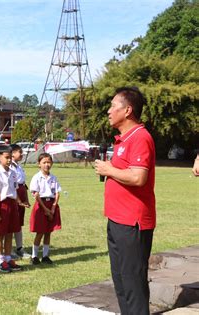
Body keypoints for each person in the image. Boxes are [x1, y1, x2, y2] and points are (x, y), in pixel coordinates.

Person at [95, 87, 156, 315]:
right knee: (121, 281)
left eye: (113, 106)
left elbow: (139, 177)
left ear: (128, 110)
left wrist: (109, 169)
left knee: (133, 283)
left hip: (133, 223)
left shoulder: (140, 137)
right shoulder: (122, 140)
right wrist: (110, 170)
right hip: (117, 220)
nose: (109, 111)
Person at [0, 145, 29, 273]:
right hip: (2, 204)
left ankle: (8, 258)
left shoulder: (12, 173)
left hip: (12, 204)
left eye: (10, 157)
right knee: (0, 234)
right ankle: (0, 260)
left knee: (10, 232)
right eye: (6, 157)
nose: (9, 160)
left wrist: (19, 202)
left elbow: (14, 190)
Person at [29, 153, 62, 265]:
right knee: (40, 232)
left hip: (51, 204)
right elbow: (36, 195)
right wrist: (46, 210)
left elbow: (57, 193)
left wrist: (53, 208)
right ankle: (34, 256)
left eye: (49, 162)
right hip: (41, 205)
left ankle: (45, 255)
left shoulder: (53, 178)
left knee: (48, 231)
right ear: (39, 164)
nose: (47, 165)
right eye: (44, 162)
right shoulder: (36, 177)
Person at [10, 144, 31, 259]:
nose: (22, 154)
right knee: (13, 223)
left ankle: (19, 248)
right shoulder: (11, 167)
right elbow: (14, 185)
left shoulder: (18, 166)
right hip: (15, 195)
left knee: (19, 223)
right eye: (19, 152)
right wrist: (18, 200)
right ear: (12, 153)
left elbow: (23, 184)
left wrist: (26, 199)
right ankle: (10, 248)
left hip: (22, 193)